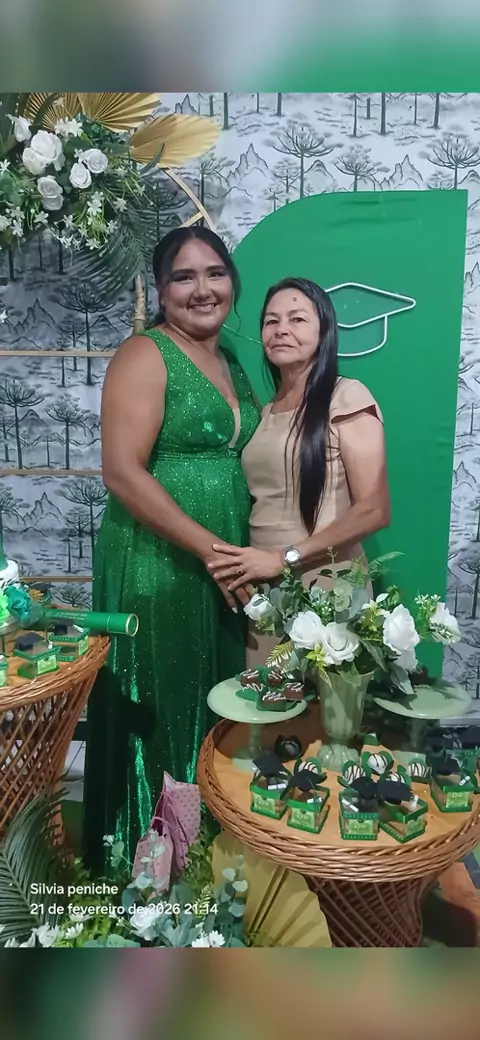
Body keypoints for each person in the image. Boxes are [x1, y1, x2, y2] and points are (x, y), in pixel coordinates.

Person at [83, 227, 259, 867]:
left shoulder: (232, 358)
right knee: (168, 705)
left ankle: (212, 859)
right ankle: (153, 870)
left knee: (215, 698)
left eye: (215, 272)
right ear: (161, 290)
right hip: (159, 562)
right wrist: (213, 551)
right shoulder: (145, 353)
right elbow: (122, 472)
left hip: (222, 560)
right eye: (184, 277)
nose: (202, 289)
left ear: (232, 281)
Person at [208, 277, 390, 663]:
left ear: (324, 332)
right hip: (265, 590)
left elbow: (374, 510)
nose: (281, 329)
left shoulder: (347, 396)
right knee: (268, 696)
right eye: (271, 321)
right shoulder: (266, 412)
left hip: (328, 585)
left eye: (297, 319)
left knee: (326, 699)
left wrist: (283, 558)